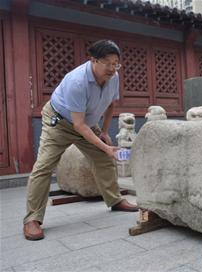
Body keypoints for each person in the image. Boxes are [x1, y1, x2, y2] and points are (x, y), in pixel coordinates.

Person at [23, 40, 138, 241]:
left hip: (87, 120)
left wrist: (103, 132)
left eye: (116, 63)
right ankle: (32, 219)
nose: (112, 68)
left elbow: (111, 105)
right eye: (107, 63)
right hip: (59, 122)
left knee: (104, 159)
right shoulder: (77, 81)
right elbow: (78, 125)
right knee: (43, 166)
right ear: (93, 60)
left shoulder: (114, 77)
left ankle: (115, 200)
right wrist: (107, 147)